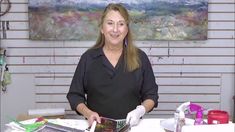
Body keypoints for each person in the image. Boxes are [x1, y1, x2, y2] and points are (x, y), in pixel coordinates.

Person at [67, 3, 158, 127]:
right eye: (110, 23)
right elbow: (74, 95)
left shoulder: (140, 58)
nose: (115, 29)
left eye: (121, 24)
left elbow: (151, 95)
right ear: (102, 28)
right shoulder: (88, 58)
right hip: (97, 127)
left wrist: (140, 110)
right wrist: (88, 113)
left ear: (126, 29)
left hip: (130, 127)